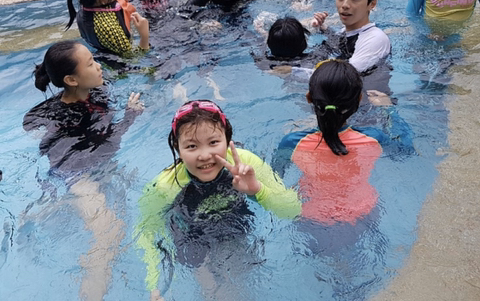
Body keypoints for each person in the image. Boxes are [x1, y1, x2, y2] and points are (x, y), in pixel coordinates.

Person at [135, 100, 301, 300]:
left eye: (213, 142)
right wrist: (155, 285)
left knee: (238, 281)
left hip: (234, 229)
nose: (205, 156)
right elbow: (147, 234)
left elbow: (293, 211)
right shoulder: (165, 187)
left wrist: (257, 190)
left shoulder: (247, 163)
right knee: (211, 286)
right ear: (178, 148)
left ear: (227, 139)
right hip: (190, 236)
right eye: (191, 146)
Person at [23, 40, 144, 301]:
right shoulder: (58, 115)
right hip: (76, 175)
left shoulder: (99, 91)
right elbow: (109, 141)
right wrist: (130, 116)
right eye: (90, 63)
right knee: (109, 233)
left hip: (99, 166)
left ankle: (45, 209)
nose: (98, 67)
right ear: (71, 79)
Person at [273, 60, 385, 225]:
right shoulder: (374, 138)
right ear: (359, 99)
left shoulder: (291, 143)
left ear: (309, 98)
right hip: (363, 213)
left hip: (312, 216)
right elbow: (405, 151)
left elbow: (274, 178)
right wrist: (389, 109)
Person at [66, 0, 150, 56]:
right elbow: (134, 58)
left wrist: (123, 1)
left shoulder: (84, 8)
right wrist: (144, 36)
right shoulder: (110, 30)